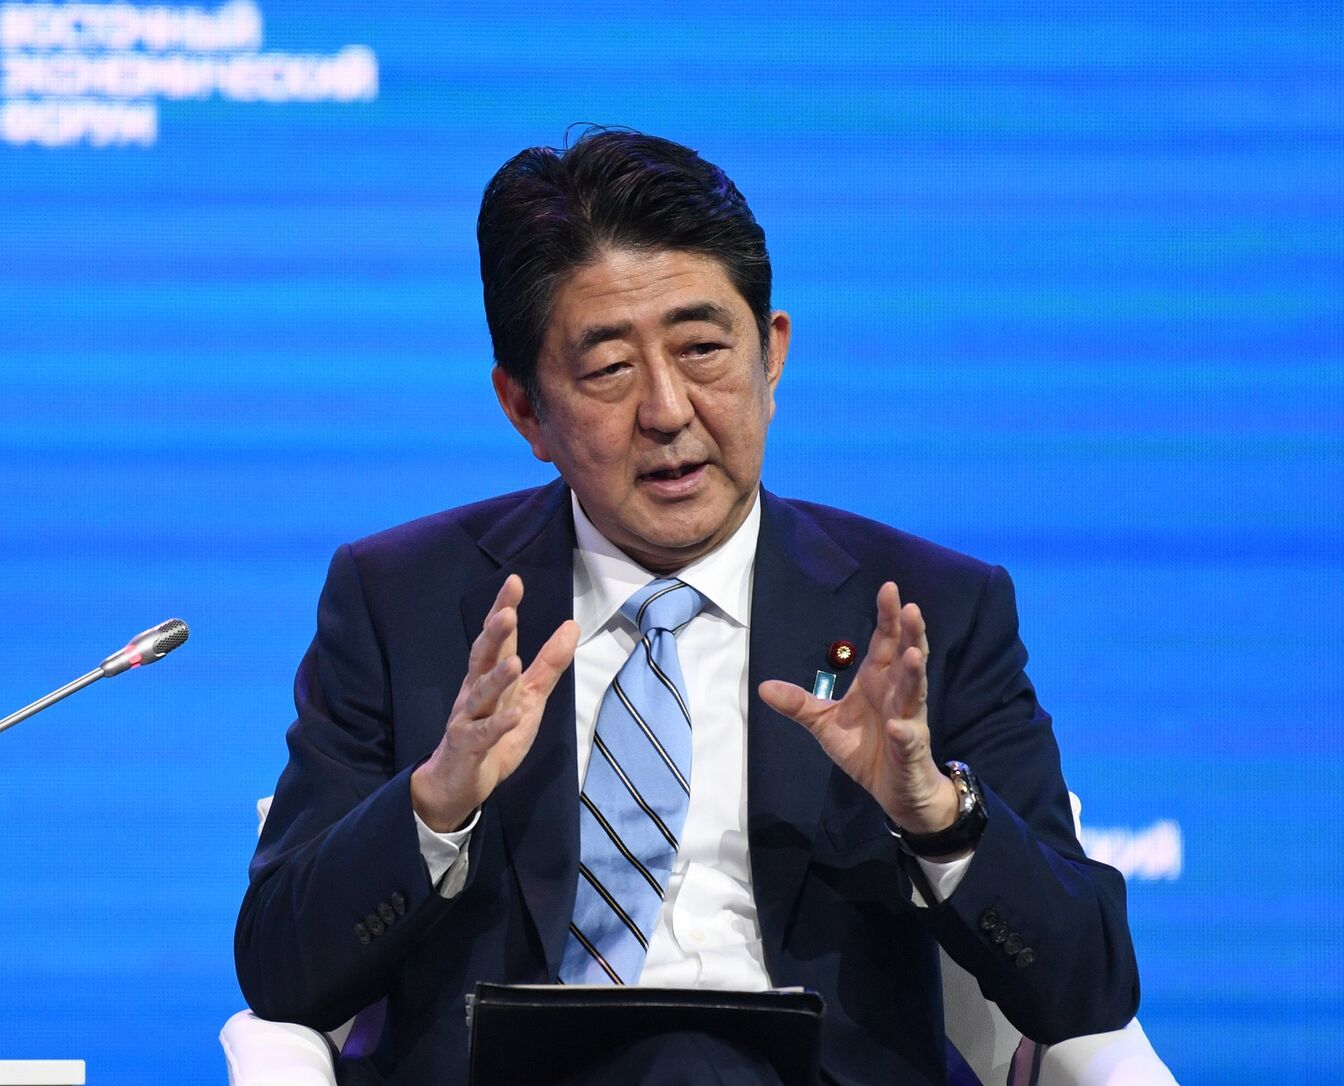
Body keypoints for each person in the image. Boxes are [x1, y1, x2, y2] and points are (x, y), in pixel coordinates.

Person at [235, 129, 1138, 1085]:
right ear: (525, 407)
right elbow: (282, 972)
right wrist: (435, 805)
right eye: (609, 369)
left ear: (771, 356)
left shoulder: (926, 611)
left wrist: (938, 819)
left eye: (703, 349)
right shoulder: (403, 599)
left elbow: (1087, 991)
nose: (667, 411)